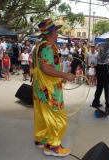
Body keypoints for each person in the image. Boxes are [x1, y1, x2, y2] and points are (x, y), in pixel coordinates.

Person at [32, 19, 75, 157]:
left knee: (42, 114)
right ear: (51, 34)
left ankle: (41, 138)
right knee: (59, 117)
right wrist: (65, 75)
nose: (58, 35)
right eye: (56, 32)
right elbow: (46, 68)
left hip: (40, 88)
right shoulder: (48, 47)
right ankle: (52, 146)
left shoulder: (38, 46)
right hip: (50, 89)